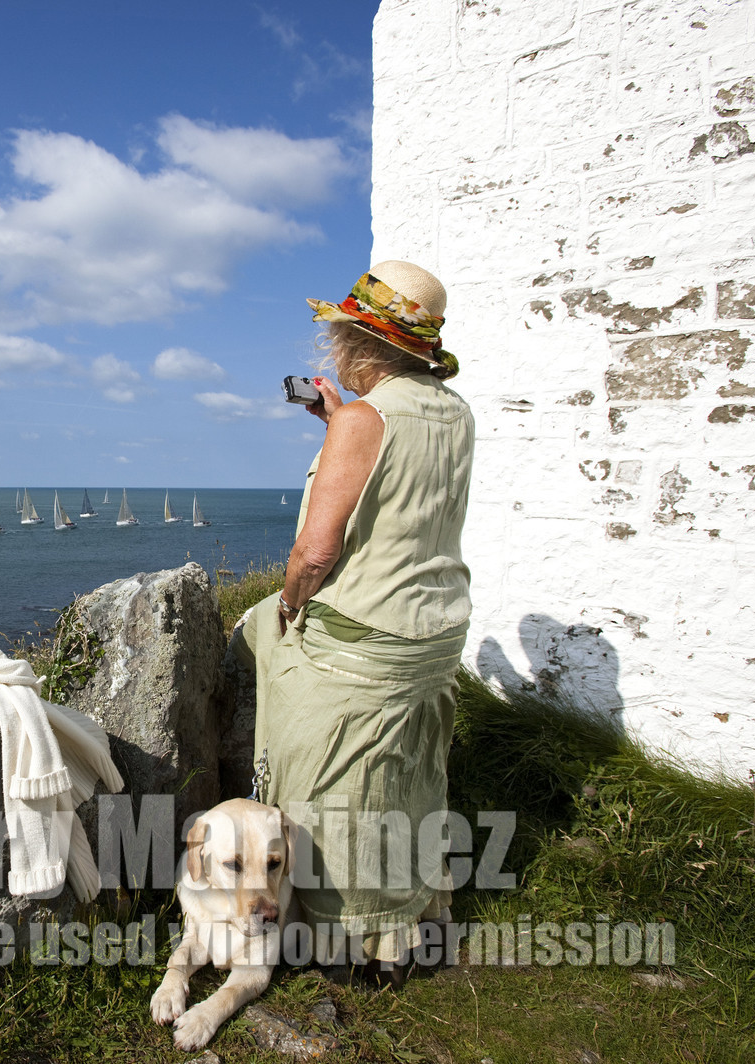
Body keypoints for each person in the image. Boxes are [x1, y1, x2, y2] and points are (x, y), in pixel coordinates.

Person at [239, 260, 474, 983]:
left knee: (270, 654)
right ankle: (418, 908)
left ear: (356, 342)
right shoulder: (454, 411)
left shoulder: (366, 419)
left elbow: (315, 551)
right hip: (435, 633)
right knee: (402, 775)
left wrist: (287, 606)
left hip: (369, 639)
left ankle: (346, 937)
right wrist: (342, 426)